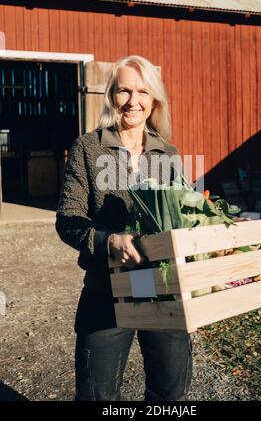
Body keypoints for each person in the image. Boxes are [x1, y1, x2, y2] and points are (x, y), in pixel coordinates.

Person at [55, 55, 192, 401]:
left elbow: (181, 215)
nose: (133, 101)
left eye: (143, 92)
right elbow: (68, 218)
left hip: (161, 289)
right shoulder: (88, 149)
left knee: (169, 392)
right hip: (107, 288)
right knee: (96, 394)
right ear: (112, 96)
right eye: (124, 91)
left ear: (154, 100)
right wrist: (108, 241)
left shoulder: (167, 154)